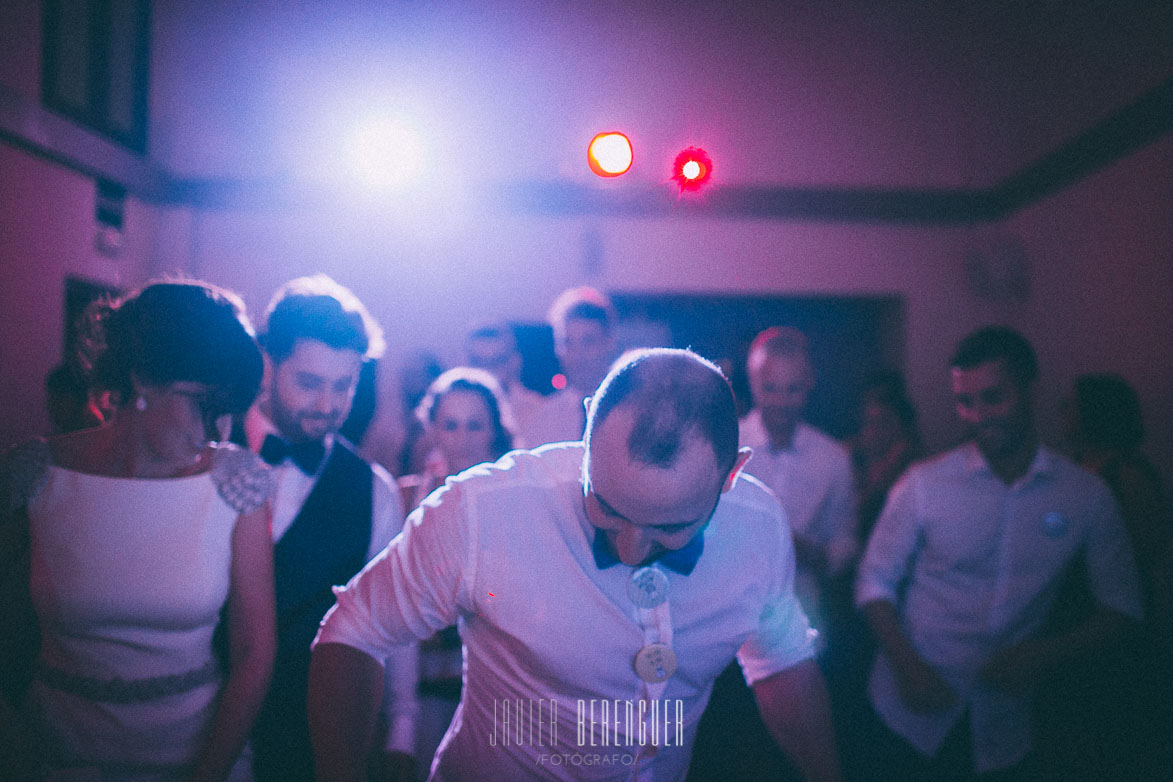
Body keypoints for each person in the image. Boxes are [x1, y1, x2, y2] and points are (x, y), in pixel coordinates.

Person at [308, 348, 841, 782]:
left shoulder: (760, 525)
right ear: (587, 432)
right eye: (606, 509)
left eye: (670, 528)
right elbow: (354, 630)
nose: (631, 549)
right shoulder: (481, 511)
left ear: (730, 475)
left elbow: (782, 662)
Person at [0, 281, 275, 781]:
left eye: (228, 411)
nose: (217, 431)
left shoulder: (236, 486)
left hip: (198, 760)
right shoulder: (36, 476)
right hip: (52, 757)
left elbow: (255, 653)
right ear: (143, 380)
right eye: (203, 404)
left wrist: (206, 775)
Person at [855, 326, 1143, 780]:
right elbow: (874, 582)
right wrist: (907, 667)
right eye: (965, 402)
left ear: (1031, 391)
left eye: (993, 397)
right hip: (904, 711)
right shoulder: (924, 484)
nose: (977, 415)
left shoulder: (1085, 495)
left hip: (1005, 725)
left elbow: (1123, 609)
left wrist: (1044, 654)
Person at [243, 275, 414, 782]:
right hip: (192, 726)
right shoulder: (207, 451)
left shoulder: (373, 490)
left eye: (344, 386)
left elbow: (393, 617)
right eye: (310, 383)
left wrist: (402, 727)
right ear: (267, 363)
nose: (327, 405)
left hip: (308, 735)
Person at [397, 367, 518, 771]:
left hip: (500, 680)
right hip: (423, 683)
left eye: (474, 425)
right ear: (431, 428)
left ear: (494, 431)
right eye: (450, 425)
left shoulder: (516, 501)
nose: (462, 439)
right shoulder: (405, 496)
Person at [739, 327, 858, 633]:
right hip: (725, 613)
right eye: (770, 388)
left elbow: (845, 543)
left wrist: (813, 554)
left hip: (800, 615)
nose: (780, 401)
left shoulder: (832, 458)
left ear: (809, 384)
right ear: (753, 383)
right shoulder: (726, 444)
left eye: (792, 390)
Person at [525, 287, 618, 445]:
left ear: (609, 342)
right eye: (568, 342)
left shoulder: (628, 410)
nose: (577, 354)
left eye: (588, 341)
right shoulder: (541, 419)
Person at [851, 370, 921, 543]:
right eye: (868, 423)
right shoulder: (848, 458)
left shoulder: (916, 470)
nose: (874, 433)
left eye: (883, 423)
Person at [466, 323, 545, 448]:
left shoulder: (538, 410)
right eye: (480, 363)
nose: (487, 371)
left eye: (497, 361)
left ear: (515, 361)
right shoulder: (456, 415)